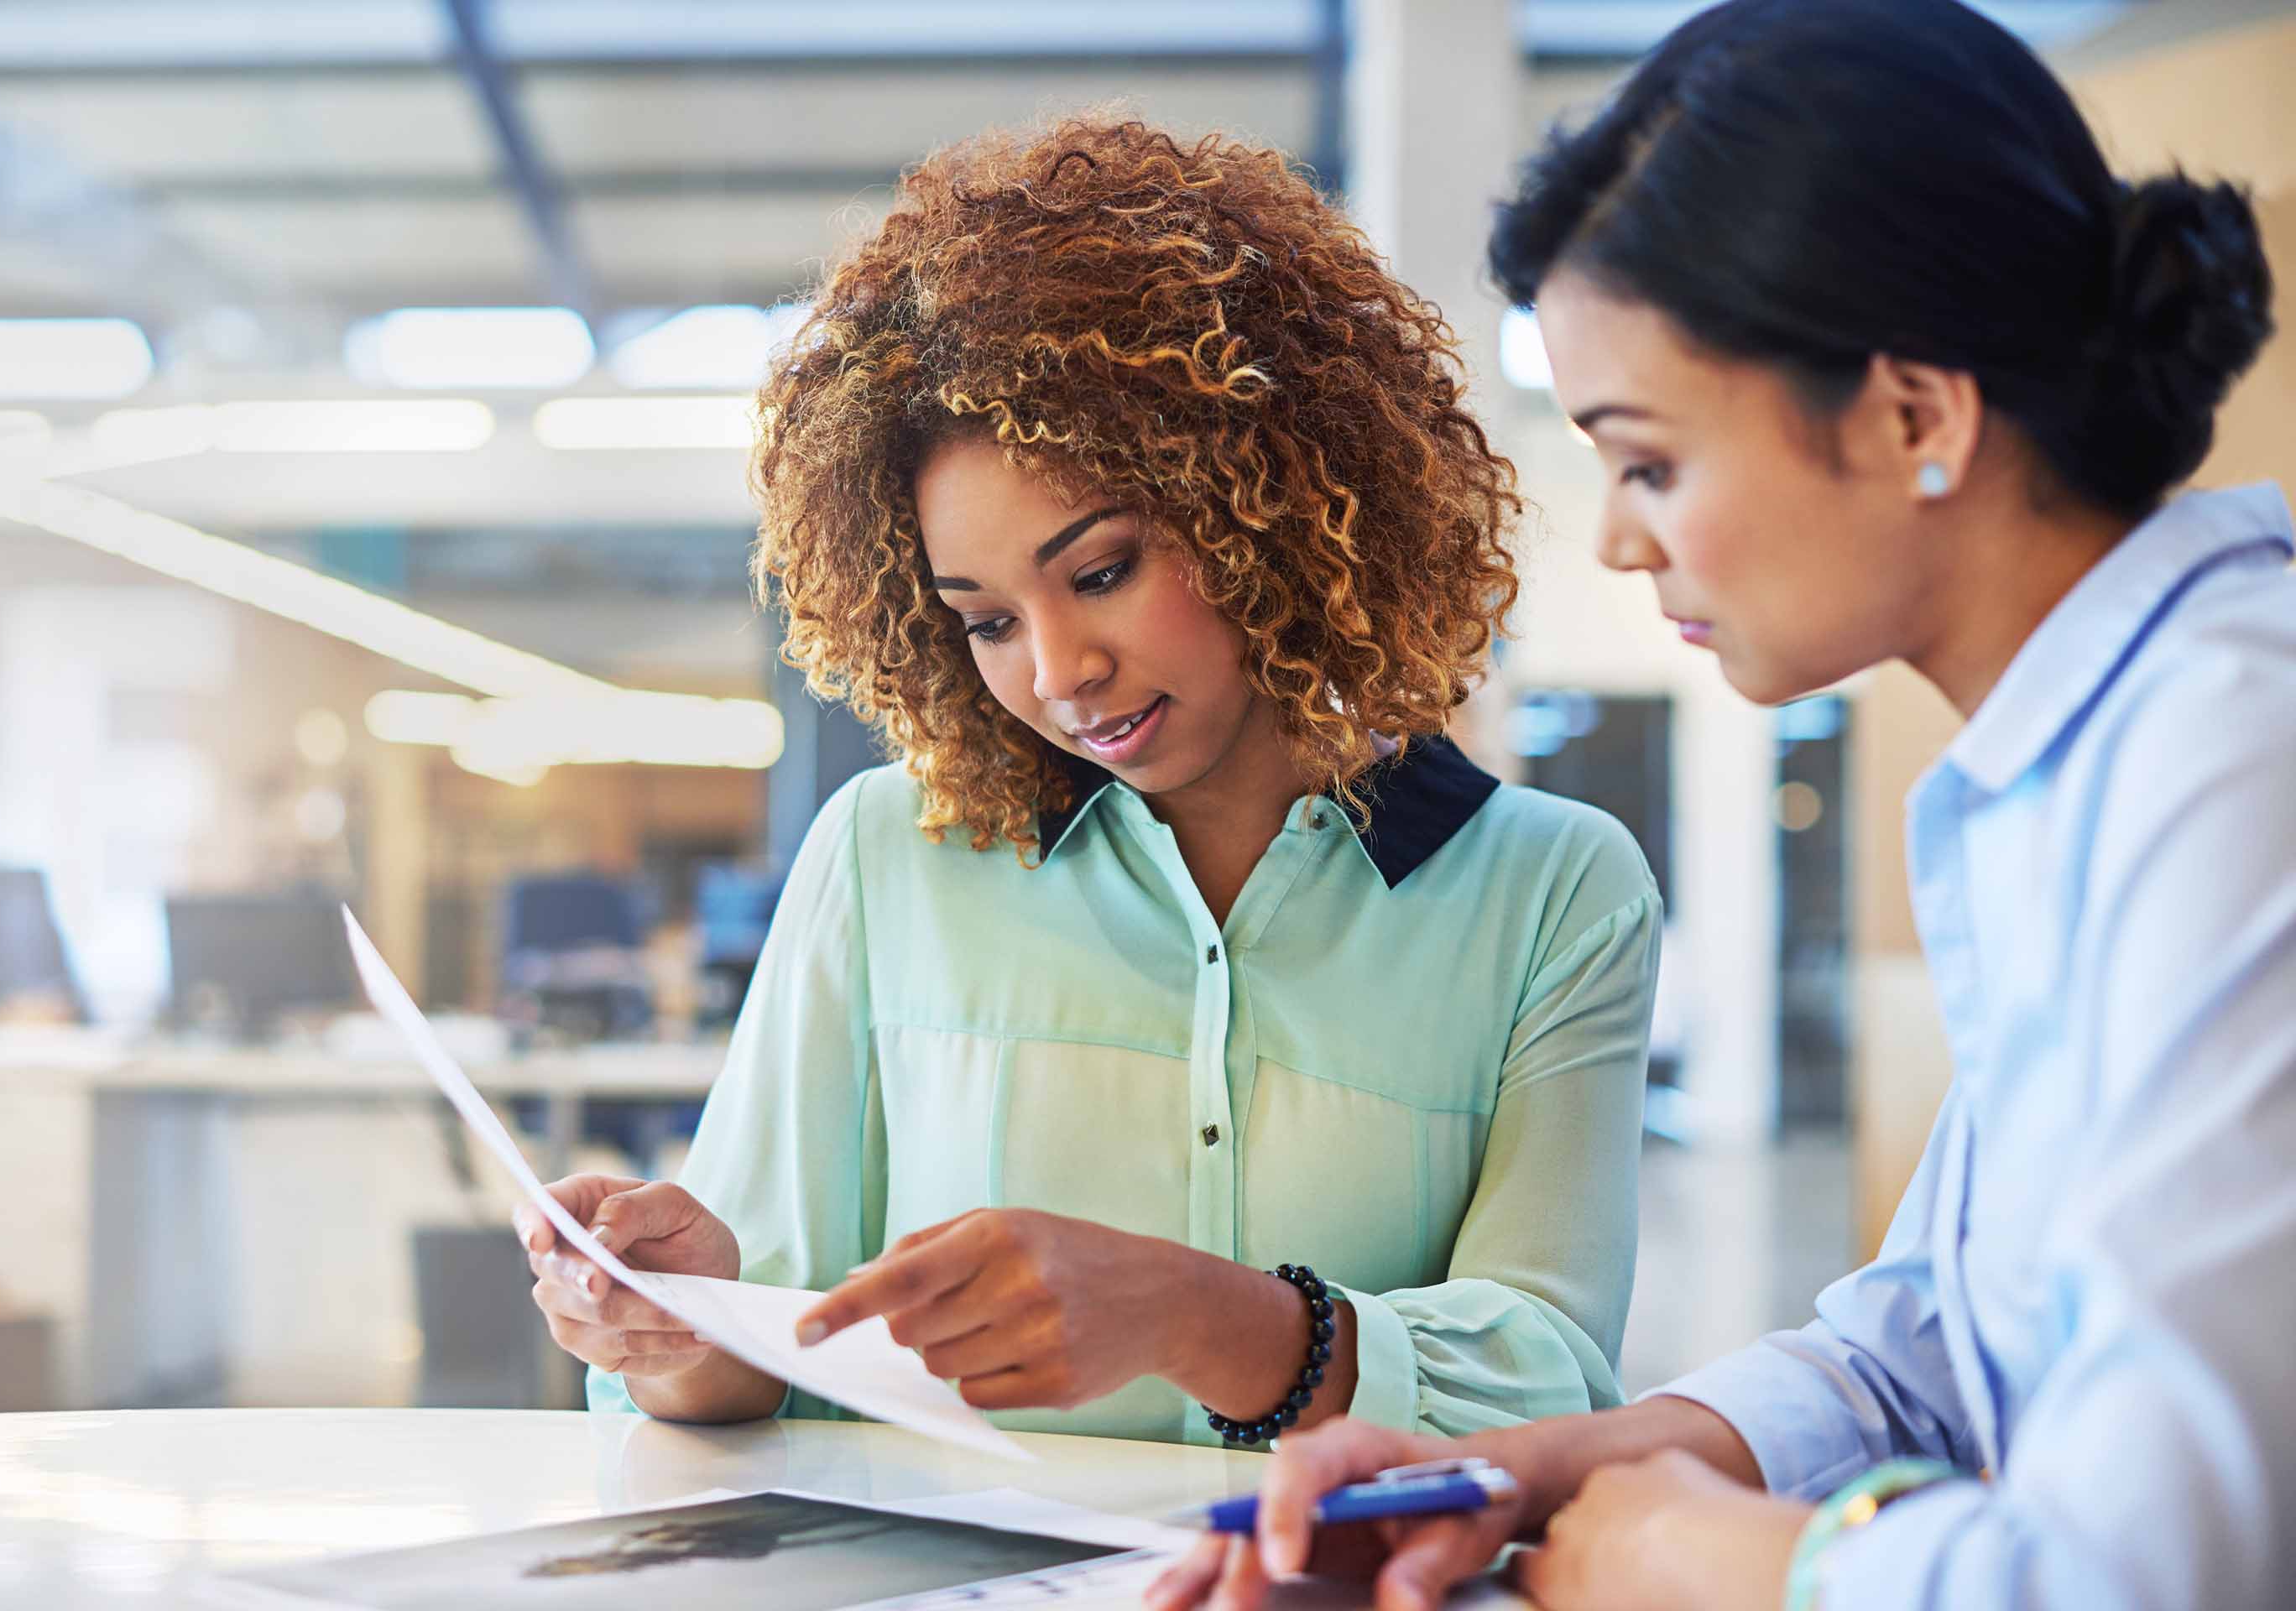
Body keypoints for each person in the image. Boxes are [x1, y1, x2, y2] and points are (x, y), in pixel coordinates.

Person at [1151, 0, 2289, 1605]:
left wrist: (1726, 1562)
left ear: (1915, 414)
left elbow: (2159, 1571)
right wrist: (1543, 1470)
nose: (1619, 541)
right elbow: (1923, 1356)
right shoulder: (2069, 763)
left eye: (1652, 462)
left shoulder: (2236, 754)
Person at [511, 115, 1663, 1447]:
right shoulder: (889, 855)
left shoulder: (1552, 893)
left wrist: (1202, 1316)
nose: (1060, 672)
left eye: (1102, 571)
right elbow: (749, 1363)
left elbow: (1554, 1379)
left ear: (1270, 503)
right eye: (987, 621)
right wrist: (680, 1323)